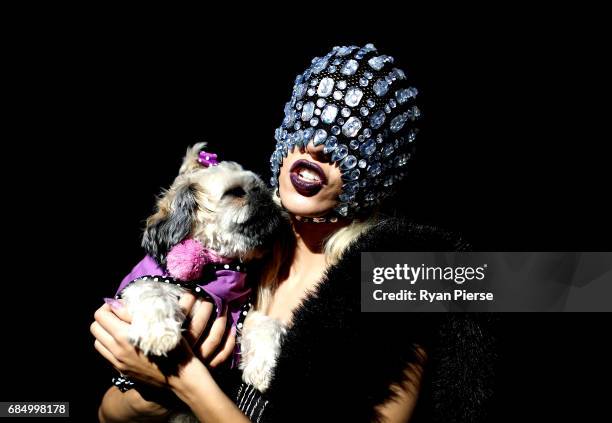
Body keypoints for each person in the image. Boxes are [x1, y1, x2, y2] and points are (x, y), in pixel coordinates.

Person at [91, 43, 494, 422]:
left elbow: (549, 284)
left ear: (378, 172)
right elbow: (108, 413)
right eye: (308, 122)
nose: (316, 146)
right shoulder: (239, 254)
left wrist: (184, 377)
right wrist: (151, 385)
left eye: (350, 137)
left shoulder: (393, 280)